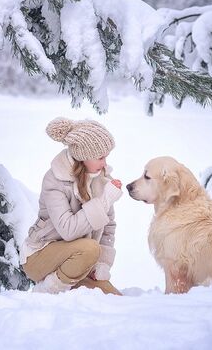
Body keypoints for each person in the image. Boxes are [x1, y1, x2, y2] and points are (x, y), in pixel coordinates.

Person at [20, 117, 124, 295]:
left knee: (113, 298)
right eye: (100, 157)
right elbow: (68, 229)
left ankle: (66, 280)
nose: (105, 163)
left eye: (106, 157)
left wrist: (102, 264)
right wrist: (105, 199)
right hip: (39, 256)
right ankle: (47, 291)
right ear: (83, 157)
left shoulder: (100, 179)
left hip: (78, 258)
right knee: (90, 248)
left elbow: (108, 227)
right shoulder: (54, 180)